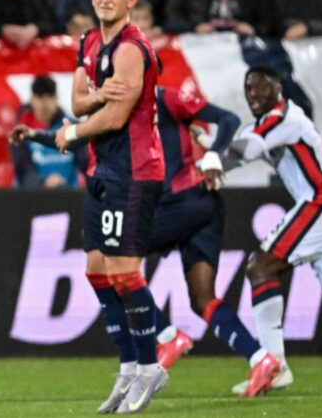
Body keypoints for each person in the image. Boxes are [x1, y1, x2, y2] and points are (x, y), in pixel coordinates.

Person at [16, 84, 281, 396]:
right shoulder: (132, 101)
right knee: (203, 298)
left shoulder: (150, 100)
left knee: (110, 263)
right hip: (205, 203)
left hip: (176, 202)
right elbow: (79, 138)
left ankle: (167, 336)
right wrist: (35, 135)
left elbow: (228, 119)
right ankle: (260, 359)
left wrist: (213, 154)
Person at [53, 0, 167, 415]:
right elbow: (78, 100)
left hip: (135, 171)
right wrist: (100, 95)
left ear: (130, 0)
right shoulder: (89, 41)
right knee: (97, 270)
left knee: (124, 273)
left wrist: (73, 131)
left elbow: (117, 117)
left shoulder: (133, 49)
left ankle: (150, 366)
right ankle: (128, 366)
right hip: (103, 170)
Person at [228, 65, 322, 394]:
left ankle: (274, 365)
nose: (254, 94)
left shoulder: (283, 118)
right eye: (249, 88)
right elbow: (240, 148)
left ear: (278, 88)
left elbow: (245, 150)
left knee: (260, 267)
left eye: (261, 87)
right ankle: (275, 366)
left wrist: (209, 161)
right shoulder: (268, 124)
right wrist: (207, 154)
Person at [8, 75, 83, 188]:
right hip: (31, 195)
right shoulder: (19, 131)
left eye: (50, 97)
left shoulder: (73, 127)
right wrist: (43, 184)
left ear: (57, 98)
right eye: (40, 97)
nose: (45, 103)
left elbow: (86, 163)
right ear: (32, 99)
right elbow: (22, 169)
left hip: (69, 194)